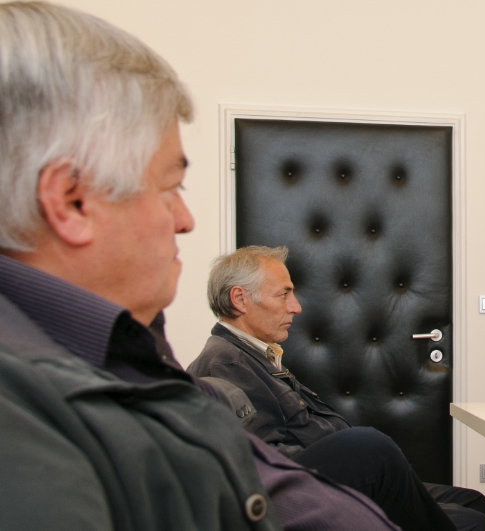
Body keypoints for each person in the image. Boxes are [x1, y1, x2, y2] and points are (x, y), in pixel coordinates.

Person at [0, 3, 402, 530]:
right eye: (171, 188)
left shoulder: (129, 352)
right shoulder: (25, 414)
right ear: (72, 202)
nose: (185, 220)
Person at [187, 246, 485, 531]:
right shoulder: (226, 363)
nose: (296, 307)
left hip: (323, 475)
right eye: (283, 295)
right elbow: (265, 464)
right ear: (239, 299)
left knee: (473, 501)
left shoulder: (256, 355)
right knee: (371, 449)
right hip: (304, 490)